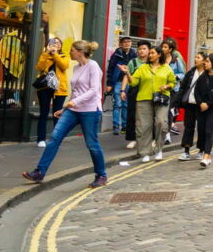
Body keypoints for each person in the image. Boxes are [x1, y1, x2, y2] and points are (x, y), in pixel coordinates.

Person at [22, 41, 107, 188]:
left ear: (80, 52)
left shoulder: (93, 66)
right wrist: (65, 108)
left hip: (90, 110)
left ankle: (101, 175)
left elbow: (94, 91)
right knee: (55, 137)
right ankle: (39, 172)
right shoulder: (76, 67)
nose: (70, 53)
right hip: (73, 110)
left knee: (92, 144)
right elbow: (75, 91)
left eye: (72, 51)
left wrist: (74, 102)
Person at [127, 45, 176, 162]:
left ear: (159, 54)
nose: (150, 55)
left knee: (160, 122)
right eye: (150, 53)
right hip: (144, 99)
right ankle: (145, 152)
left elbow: (173, 82)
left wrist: (167, 86)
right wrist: (127, 73)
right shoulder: (143, 68)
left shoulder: (166, 68)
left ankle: (158, 149)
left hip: (161, 98)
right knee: (144, 126)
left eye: (152, 53)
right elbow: (133, 82)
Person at [35, 37, 69, 147]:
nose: (56, 44)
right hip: (44, 88)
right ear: (49, 45)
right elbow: (39, 67)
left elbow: (64, 66)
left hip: (59, 89)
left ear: (61, 46)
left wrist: (55, 55)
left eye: (58, 43)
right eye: (54, 43)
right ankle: (41, 139)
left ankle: (56, 139)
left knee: (57, 115)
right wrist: (46, 54)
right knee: (43, 113)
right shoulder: (45, 55)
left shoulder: (64, 56)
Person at [175, 52, 205, 161]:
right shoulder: (191, 72)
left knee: (202, 128)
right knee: (188, 127)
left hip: (201, 105)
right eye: (195, 57)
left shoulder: (207, 73)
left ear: (204, 60)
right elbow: (183, 87)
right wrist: (178, 101)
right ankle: (186, 151)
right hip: (190, 104)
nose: (195, 59)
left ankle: (201, 151)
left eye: (198, 57)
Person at [121, 41, 150, 149]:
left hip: (147, 90)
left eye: (144, 49)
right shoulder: (133, 62)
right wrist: (123, 90)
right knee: (132, 115)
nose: (141, 51)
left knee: (147, 116)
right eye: (140, 49)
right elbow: (126, 76)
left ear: (148, 50)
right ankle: (133, 139)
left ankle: (148, 139)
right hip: (134, 91)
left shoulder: (152, 63)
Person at [106, 36, 135, 136]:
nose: (127, 43)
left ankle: (124, 125)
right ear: (121, 44)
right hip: (118, 81)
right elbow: (110, 69)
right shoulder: (116, 54)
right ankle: (116, 126)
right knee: (117, 104)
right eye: (125, 42)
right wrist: (109, 83)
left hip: (129, 81)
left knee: (126, 104)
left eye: (129, 42)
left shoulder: (134, 54)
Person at [162, 39, 186, 140]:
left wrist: (176, 76)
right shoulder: (159, 59)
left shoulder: (176, 60)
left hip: (173, 89)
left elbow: (182, 73)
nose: (163, 49)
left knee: (169, 111)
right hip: (161, 89)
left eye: (165, 47)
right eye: (162, 47)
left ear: (170, 49)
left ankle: (167, 134)